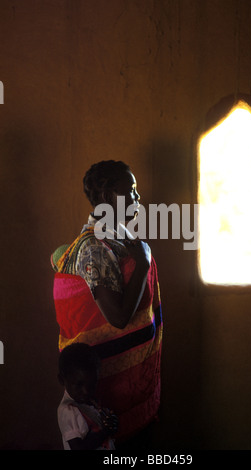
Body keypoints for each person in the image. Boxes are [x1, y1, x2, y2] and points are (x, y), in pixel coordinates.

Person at [51, 160, 163, 448]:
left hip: (133, 388)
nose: (138, 198)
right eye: (132, 190)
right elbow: (118, 317)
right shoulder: (94, 247)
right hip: (111, 391)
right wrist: (143, 264)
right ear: (111, 196)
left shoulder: (119, 237)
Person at [57, 342, 118, 450]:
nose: (86, 391)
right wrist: (105, 432)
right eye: (79, 385)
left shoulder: (89, 401)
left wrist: (110, 423)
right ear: (62, 380)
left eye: (92, 385)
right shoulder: (68, 411)